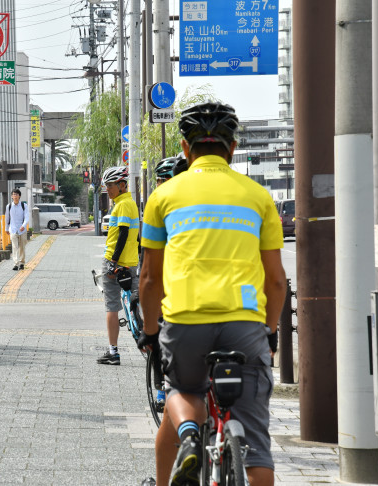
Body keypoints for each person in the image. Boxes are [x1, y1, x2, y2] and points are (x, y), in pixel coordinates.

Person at [137, 102, 287, 486]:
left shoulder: (164, 197)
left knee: (182, 388)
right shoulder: (258, 197)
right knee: (255, 442)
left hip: (186, 318)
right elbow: (275, 281)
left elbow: (150, 279)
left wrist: (151, 332)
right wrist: (270, 331)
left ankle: (189, 433)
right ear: (232, 148)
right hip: (245, 322)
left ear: (185, 150)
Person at [97, 166, 140, 366]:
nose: (108, 189)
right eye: (106, 186)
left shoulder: (122, 205)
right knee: (137, 301)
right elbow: (135, 236)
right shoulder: (130, 204)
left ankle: (113, 352)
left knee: (111, 306)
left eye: (111, 185)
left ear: (122, 185)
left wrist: (113, 261)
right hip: (131, 262)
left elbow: (122, 234)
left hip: (114, 262)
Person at [5, 189, 30, 270]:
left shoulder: (24, 206)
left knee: (22, 246)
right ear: (12, 196)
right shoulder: (9, 206)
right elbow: (7, 218)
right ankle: (16, 263)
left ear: (19, 196)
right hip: (12, 229)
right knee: (14, 247)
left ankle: (22, 262)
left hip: (22, 230)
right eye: (13, 194)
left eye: (16, 194)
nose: (15, 196)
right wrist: (6, 228)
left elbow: (26, 217)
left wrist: (23, 225)